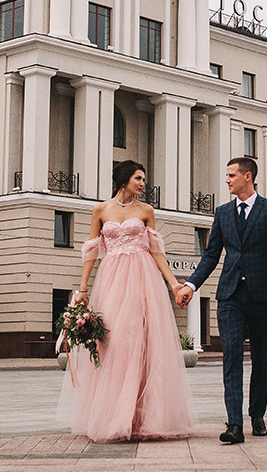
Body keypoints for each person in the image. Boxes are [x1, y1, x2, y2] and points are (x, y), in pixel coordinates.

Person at [58, 160, 196, 442]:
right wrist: (82, 289)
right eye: (138, 178)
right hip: (111, 280)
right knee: (114, 344)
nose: (143, 183)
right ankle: (114, 415)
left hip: (142, 278)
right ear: (124, 179)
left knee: (140, 341)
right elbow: (91, 252)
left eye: (144, 179)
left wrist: (173, 284)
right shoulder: (100, 210)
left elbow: (157, 251)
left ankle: (144, 416)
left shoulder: (146, 211)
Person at [175, 157, 267, 444]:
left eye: (230, 175)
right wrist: (191, 284)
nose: (226, 180)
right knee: (231, 358)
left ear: (247, 176)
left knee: (261, 358)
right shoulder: (223, 213)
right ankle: (235, 424)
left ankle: (257, 415)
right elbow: (212, 254)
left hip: (264, 296)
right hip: (229, 296)